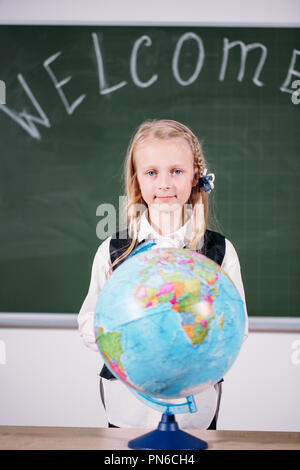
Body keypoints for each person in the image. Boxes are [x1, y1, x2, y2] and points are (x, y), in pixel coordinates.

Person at [78, 119, 248, 430]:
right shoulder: (114, 251)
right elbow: (88, 318)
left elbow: (239, 326)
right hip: (127, 407)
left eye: (177, 171)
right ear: (137, 180)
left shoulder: (220, 252)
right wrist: (122, 334)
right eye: (152, 172)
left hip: (194, 409)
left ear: (196, 176)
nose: (165, 183)